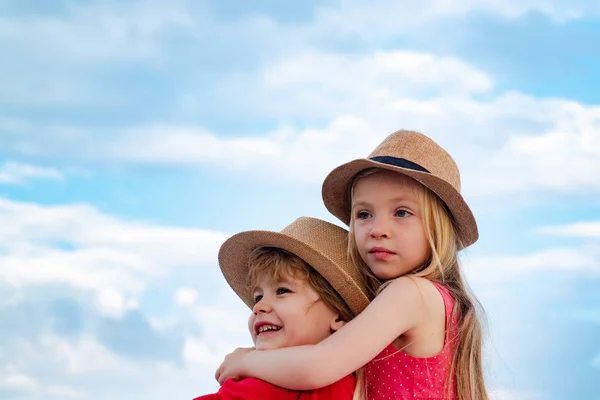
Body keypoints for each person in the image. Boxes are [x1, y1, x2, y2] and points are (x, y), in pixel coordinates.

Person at [215, 130, 488, 400]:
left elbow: (319, 366)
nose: (378, 229)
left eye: (402, 212)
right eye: (364, 214)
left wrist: (246, 361)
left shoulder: (411, 293)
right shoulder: (428, 301)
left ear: (439, 230)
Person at [194, 217, 370, 400]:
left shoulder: (261, 385)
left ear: (339, 316)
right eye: (258, 297)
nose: (259, 307)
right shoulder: (348, 383)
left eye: (282, 291)